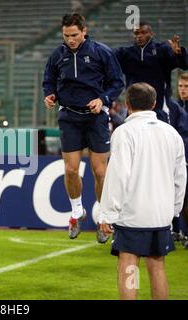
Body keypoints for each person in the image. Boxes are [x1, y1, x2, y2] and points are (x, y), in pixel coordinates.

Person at [99, 83, 186, 300]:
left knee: (129, 265)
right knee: (157, 267)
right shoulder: (171, 133)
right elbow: (180, 176)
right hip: (161, 214)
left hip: (133, 214)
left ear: (127, 104)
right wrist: (174, 209)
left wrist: (108, 213)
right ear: (154, 104)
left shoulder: (125, 132)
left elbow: (118, 175)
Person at [42, 13, 124, 241]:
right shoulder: (57, 55)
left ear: (84, 31)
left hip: (96, 118)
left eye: (75, 35)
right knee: (70, 169)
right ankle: (77, 213)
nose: (70, 40)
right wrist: (49, 95)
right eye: (66, 35)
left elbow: (117, 82)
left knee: (100, 171)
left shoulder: (101, 52)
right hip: (69, 116)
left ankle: (103, 217)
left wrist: (103, 100)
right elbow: (48, 80)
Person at [114, 21, 188, 123]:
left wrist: (179, 54)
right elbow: (107, 59)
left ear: (152, 34)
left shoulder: (163, 49)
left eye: (143, 32)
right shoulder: (125, 52)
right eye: (136, 33)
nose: (139, 36)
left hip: (159, 107)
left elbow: (183, 65)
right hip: (133, 109)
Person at [168, 72, 188, 246]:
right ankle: (176, 230)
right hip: (178, 157)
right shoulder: (174, 106)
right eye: (181, 86)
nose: (183, 89)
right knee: (176, 193)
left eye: (186, 86)